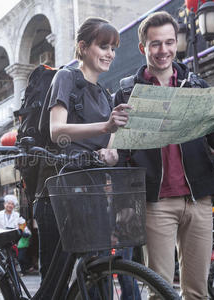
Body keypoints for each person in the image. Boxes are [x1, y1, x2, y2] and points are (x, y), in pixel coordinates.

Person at [114, 11, 214, 299]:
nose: (164, 50)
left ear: (176, 43)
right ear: (142, 48)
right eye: (156, 44)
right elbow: (119, 153)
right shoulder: (126, 92)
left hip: (198, 200)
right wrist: (124, 203)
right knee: (159, 290)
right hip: (154, 202)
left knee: (197, 291)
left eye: (169, 42)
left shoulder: (196, 86)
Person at [34, 17, 130, 298]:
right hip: (58, 191)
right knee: (55, 286)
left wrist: (112, 150)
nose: (110, 53)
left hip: (93, 192)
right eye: (103, 46)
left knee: (97, 274)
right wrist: (106, 126)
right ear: (83, 47)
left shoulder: (104, 92)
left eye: (113, 47)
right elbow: (56, 131)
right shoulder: (66, 77)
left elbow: (110, 146)